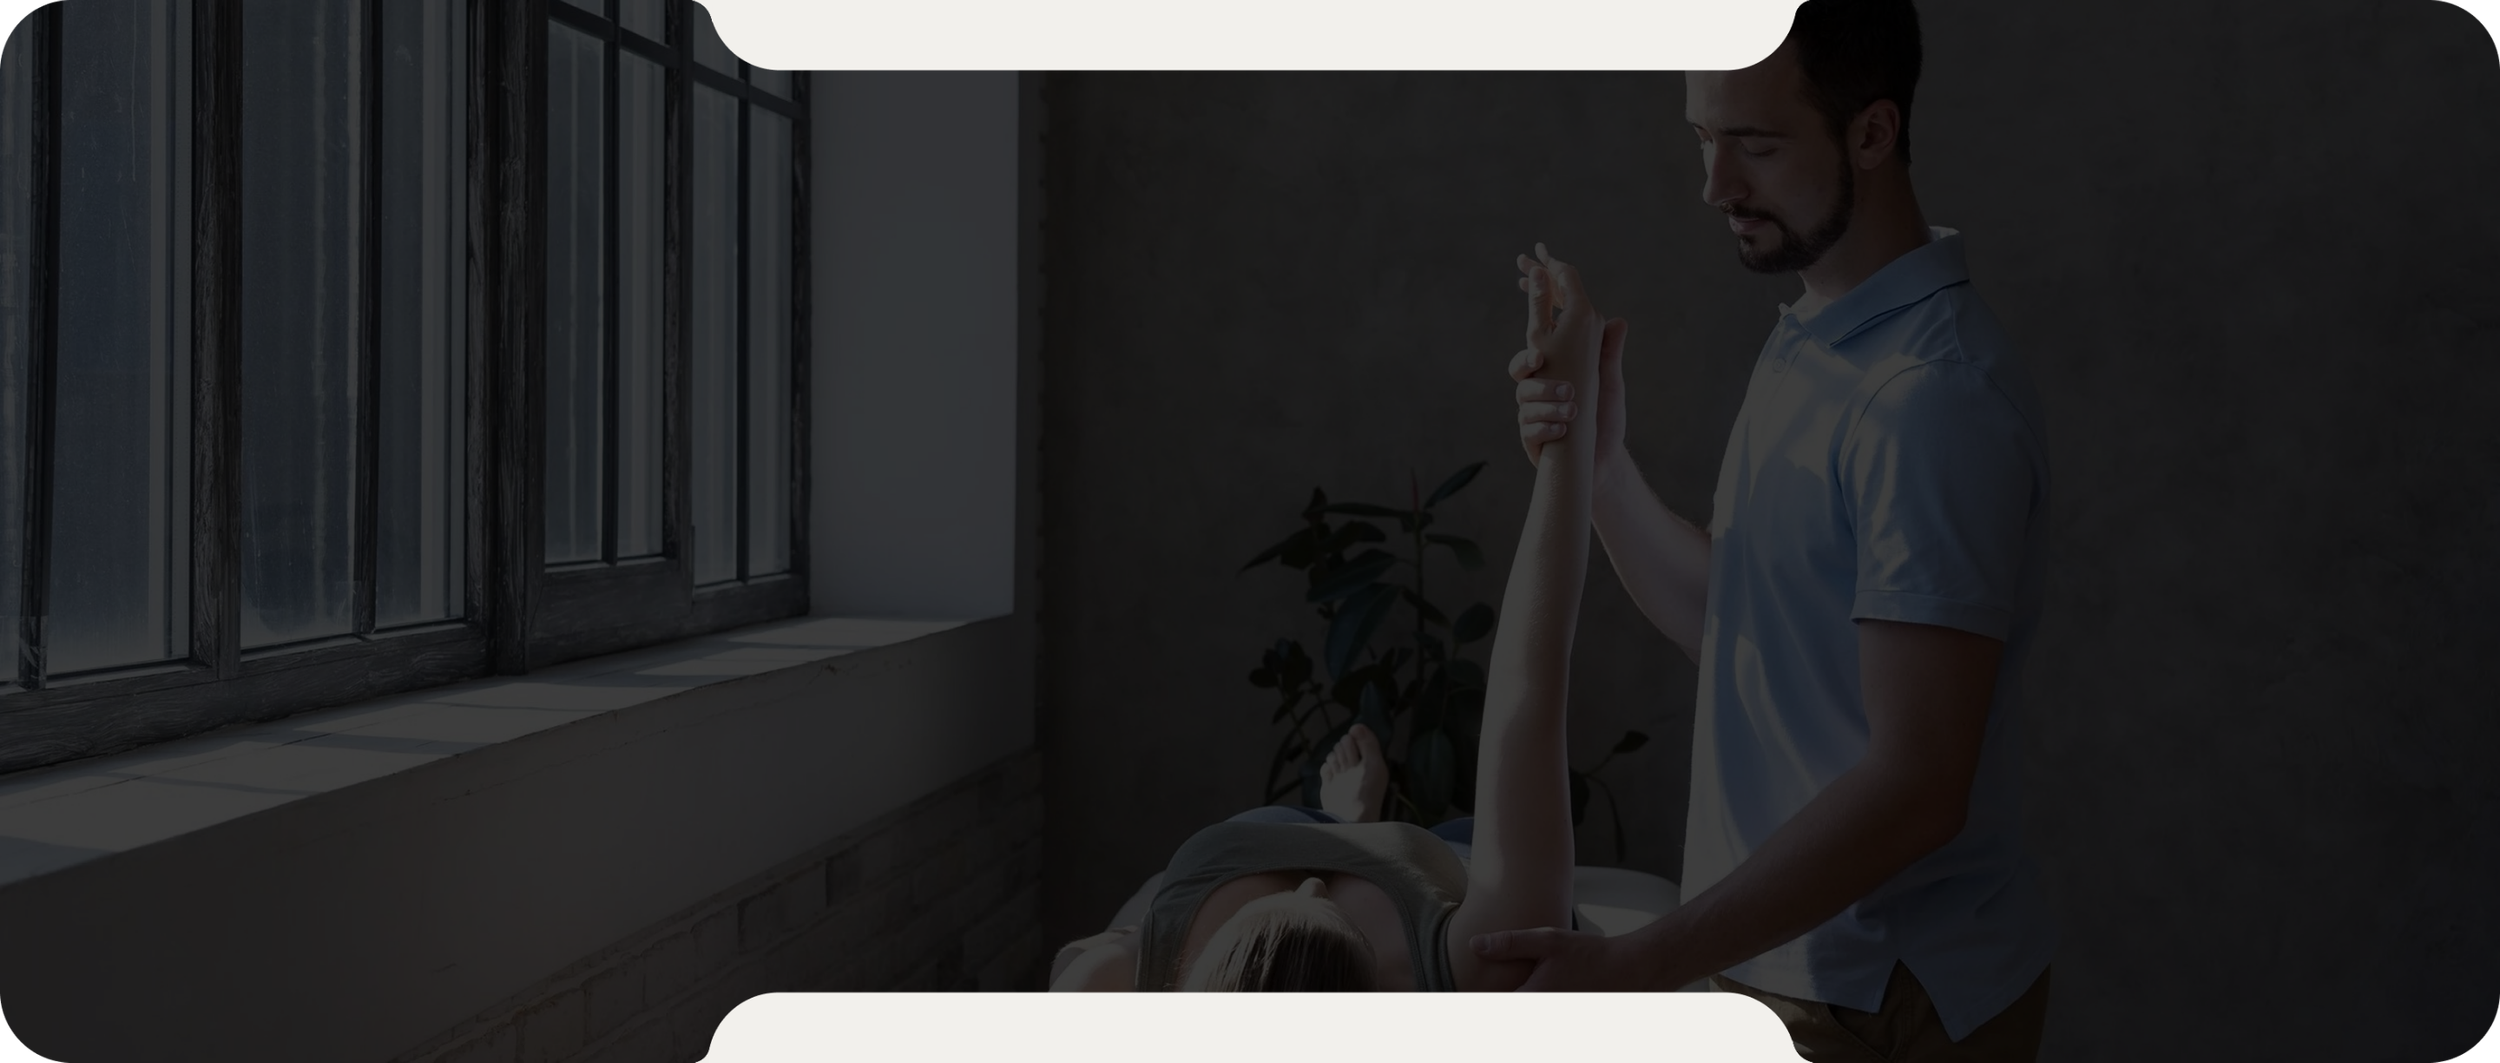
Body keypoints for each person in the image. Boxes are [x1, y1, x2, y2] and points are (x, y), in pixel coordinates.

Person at [1473, 1, 2058, 1059]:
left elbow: (1917, 787)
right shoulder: (1819, 339)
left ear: (1872, 134)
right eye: (1704, 139)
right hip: (1788, 967)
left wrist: (1642, 963)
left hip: (1878, 999)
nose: (1715, 188)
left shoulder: (1930, 400)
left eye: (1754, 144)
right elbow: (1741, 627)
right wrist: (1601, 467)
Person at [1049, 246, 1621, 993]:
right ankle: (1355, 817)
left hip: (1258, 850)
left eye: (1287, 907)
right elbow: (1530, 690)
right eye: (1333, 917)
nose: (1311, 888)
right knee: (1485, 868)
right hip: (1429, 864)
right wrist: (1567, 432)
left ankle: (1346, 813)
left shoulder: (1112, 981)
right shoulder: (1480, 953)